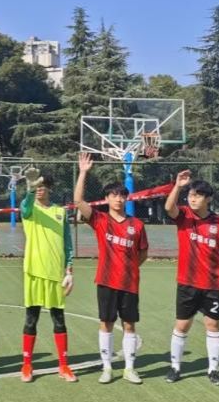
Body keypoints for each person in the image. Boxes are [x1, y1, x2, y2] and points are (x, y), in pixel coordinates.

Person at [74, 152, 148, 384]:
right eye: (113, 195)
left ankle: (129, 369)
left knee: (129, 324)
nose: (118, 199)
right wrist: (83, 172)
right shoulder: (100, 220)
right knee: (105, 323)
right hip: (106, 280)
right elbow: (78, 201)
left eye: (122, 195)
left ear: (126, 199)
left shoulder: (137, 225)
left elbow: (143, 253)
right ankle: (107, 368)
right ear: (106, 199)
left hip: (129, 283)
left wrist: (130, 268)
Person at [164, 170, 219, 386]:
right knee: (182, 325)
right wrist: (178, 186)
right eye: (190, 195)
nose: (192, 199)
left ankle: (213, 370)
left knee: (213, 325)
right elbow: (169, 208)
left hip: (213, 283)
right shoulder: (184, 216)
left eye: (198, 195)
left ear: (208, 198)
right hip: (188, 282)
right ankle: (175, 367)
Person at [20, 166, 76, 383]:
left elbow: (67, 243)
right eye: (37, 186)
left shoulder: (60, 212)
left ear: (50, 188)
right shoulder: (29, 209)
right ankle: (27, 365)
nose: (40, 189)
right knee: (31, 319)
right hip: (34, 272)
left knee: (59, 320)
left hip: (55, 274)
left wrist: (69, 270)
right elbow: (25, 206)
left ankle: (64, 365)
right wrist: (29, 190)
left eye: (43, 186)